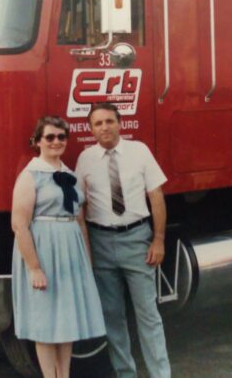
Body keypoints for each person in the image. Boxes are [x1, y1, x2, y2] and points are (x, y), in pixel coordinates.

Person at [75, 103, 171, 378]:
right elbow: (80, 207)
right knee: (112, 317)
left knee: (148, 314)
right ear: (91, 129)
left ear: (120, 123)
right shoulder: (85, 159)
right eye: (98, 123)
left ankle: (160, 374)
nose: (104, 127)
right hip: (101, 242)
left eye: (109, 121)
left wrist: (158, 240)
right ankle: (125, 374)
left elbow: (156, 197)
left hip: (137, 240)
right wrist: (87, 251)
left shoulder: (139, 151)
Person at [11, 116, 106, 378]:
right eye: (50, 137)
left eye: (61, 137)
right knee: (45, 323)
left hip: (70, 252)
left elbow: (80, 222)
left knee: (67, 322)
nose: (56, 142)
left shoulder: (70, 175)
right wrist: (34, 268)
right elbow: (19, 225)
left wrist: (86, 261)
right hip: (44, 251)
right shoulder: (30, 176)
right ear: (37, 141)